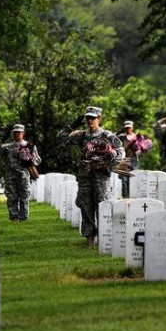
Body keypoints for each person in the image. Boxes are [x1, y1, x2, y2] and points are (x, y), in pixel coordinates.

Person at [58, 106, 124, 248]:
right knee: (86, 206)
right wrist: (73, 124)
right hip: (85, 176)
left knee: (102, 204)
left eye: (92, 118)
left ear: (98, 119)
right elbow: (61, 138)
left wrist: (108, 165)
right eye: (88, 118)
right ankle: (89, 240)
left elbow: (121, 151)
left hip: (100, 177)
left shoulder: (107, 135)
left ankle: (104, 237)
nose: (90, 121)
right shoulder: (81, 135)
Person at [0, 124, 41, 221]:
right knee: (11, 197)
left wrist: (30, 158)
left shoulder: (29, 146)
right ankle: (13, 217)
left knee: (24, 196)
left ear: (23, 133)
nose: (17, 134)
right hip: (10, 176)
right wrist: (2, 137)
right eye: (15, 132)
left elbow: (38, 160)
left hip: (24, 176)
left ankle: (23, 217)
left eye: (19, 132)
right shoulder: (7, 147)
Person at [117, 120, 138, 198]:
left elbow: (143, 148)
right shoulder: (121, 137)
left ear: (132, 128)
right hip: (124, 160)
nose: (128, 129)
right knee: (123, 179)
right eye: (126, 128)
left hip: (133, 160)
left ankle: (132, 196)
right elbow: (113, 138)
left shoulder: (136, 137)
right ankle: (125, 196)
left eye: (129, 128)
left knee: (132, 178)